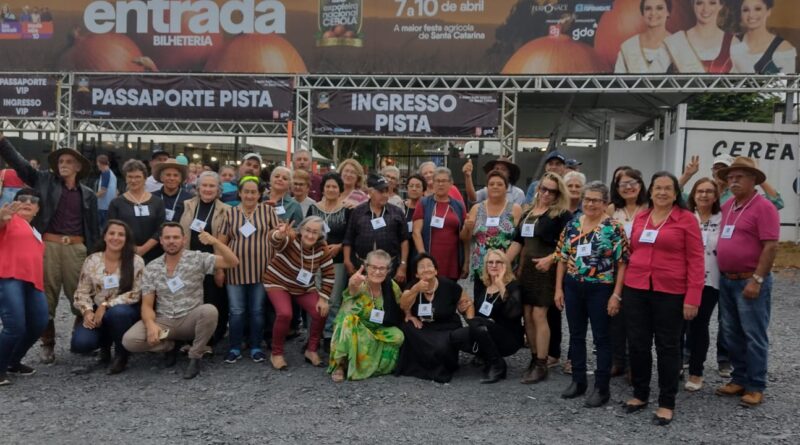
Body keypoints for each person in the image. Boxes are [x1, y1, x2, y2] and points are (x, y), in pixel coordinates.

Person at [0, 134, 99, 364]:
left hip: (77, 248)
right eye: (60, 162)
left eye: (68, 162)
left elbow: (94, 228)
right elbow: (21, 165)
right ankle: (48, 344)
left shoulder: (89, 195)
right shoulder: (43, 180)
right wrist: (3, 142)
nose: (63, 165)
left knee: (81, 295)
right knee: (47, 299)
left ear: (78, 167)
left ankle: (79, 337)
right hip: (49, 246)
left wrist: (94, 255)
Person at [622, 172, 703, 425]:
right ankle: (640, 393)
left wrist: (693, 297)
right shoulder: (642, 217)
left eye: (668, 188)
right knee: (637, 344)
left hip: (670, 292)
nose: (663, 193)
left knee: (667, 347)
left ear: (676, 193)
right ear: (651, 191)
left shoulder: (686, 219)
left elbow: (696, 260)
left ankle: (667, 402)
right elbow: (633, 250)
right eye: (658, 188)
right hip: (636, 288)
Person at [122, 223, 240, 379]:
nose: (172, 241)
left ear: (184, 240)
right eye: (167, 237)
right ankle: (169, 346)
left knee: (210, 311)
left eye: (176, 237)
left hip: (189, 320)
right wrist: (151, 326)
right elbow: (147, 304)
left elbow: (233, 262)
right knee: (129, 341)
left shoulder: (197, 258)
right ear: (161, 241)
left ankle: (195, 355)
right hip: (164, 321)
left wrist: (215, 242)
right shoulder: (152, 267)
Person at [554, 182, 629, 408]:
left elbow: (622, 262)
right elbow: (562, 257)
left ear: (605, 203)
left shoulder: (614, 228)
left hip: (601, 288)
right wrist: (558, 288)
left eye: (596, 200)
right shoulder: (573, 224)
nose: (590, 204)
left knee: (601, 338)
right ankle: (578, 381)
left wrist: (616, 294)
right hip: (573, 285)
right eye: (587, 199)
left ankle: (601, 388)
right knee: (576, 335)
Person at [714, 157, 779, 407]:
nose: (733, 181)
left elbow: (771, 246)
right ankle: (739, 378)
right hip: (727, 280)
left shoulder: (763, 207)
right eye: (730, 177)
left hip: (749, 280)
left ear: (754, 180)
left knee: (753, 334)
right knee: (732, 333)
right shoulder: (729, 205)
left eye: (739, 177)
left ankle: (755, 385)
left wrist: (758, 279)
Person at [506, 172, 571, 383]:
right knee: (527, 313)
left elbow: (570, 245)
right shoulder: (528, 213)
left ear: (558, 193)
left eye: (551, 190)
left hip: (547, 270)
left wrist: (551, 259)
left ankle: (542, 363)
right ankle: (534, 358)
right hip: (528, 270)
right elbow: (518, 243)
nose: (546, 193)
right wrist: (502, 264)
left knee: (539, 314)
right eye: (543, 188)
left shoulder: (561, 215)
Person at [217, 176, 278, 364]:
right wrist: (219, 269)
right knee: (236, 311)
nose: (250, 195)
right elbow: (220, 243)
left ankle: (256, 347)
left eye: (254, 192)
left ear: (259, 194)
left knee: (257, 310)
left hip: (262, 271)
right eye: (246, 192)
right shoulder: (230, 213)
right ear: (240, 193)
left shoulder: (268, 212)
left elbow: (278, 236)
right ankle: (235, 347)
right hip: (235, 272)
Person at [71, 220, 144, 375]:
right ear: (104, 236)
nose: (115, 238)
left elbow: (137, 293)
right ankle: (104, 348)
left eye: (121, 235)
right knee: (81, 344)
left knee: (118, 313)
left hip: (125, 311)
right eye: (111, 233)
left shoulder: (136, 261)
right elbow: (81, 291)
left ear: (126, 239)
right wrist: (87, 311)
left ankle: (121, 354)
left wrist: (106, 305)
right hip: (97, 310)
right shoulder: (92, 260)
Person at [264, 216, 334, 370]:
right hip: (278, 281)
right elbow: (274, 240)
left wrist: (323, 298)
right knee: (285, 314)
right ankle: (276, 353)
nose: (310, 235)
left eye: (315, 232)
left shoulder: (322, 248)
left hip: (303, 287)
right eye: (307, 230)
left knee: (320, 311)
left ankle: (312, 349)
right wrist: (279, 234)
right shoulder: (291, 237)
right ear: (301, 229)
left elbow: (329, 274)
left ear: (321, 234)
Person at [327, 250, 405, 382]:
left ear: (388, 270)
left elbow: (402, 303)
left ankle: (373, 367)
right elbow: (352, 290)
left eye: (382, 268)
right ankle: (340, 365)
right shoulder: (359, 282)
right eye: (373, 267)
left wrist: (410, 314)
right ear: (366, 266)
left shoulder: (391, 286)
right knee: (348, 321)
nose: (377, 272)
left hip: (377, 329)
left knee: (398, 335)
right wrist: (353, 284)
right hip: (355, 328)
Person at [396, 254, 473, 383]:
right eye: (421, 267)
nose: (426, 269)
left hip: (446, 326)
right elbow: (403, 304)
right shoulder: (413, 285)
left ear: (436, 270)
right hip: (423, 326)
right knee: (406, 327)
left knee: (441, 345)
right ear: (416, 274)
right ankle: (420, 364)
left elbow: (467, 303)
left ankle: (440, 365)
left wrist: (471, 323)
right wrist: (415, 290)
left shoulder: (449, 285)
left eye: (429, 266)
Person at [451, 249, 523, 383]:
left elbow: (514, 312)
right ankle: (486, 356)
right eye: (490, 262)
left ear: (505, 265)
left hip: (509, 337)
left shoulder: (513, 286)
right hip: (487, 331)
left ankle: (497, 364)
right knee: (456, 337)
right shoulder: (486, 288)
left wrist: (501, 283)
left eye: (498, 262)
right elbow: (474, 320)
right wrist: (464, 311)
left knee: (479, 323)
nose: (494, 265)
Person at [0, 189, 48, 386]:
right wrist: (2, 217)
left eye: (33, 200)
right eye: (22, 199)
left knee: (38, 323)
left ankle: (12, 361)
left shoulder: (34, 230)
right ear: (14, 203)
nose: (28, 202)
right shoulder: (9, 221)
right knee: (15, 326)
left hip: (33, 282)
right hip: (9, 277)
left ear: (37, 209)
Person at [180, 171, 231, 346]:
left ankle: (209, 341)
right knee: (191, 300)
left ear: (218, 189)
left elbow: (226, 242)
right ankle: (189, 337)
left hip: (212, 262)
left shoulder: (226, 210)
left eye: (212, 186)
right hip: (190, 261)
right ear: (198, 187)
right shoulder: (186, 205)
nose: (208, 189)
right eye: (205, 185)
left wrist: (220, 269)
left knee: (213, 299)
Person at [606, 167, 649, 378]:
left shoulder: (649, 208)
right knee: (615, 318)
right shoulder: (612, 209)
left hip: (640, 270)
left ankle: (635, 364)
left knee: (636, 319)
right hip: (614, 270)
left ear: (640, 185)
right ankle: (618, 360)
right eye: (623, 184)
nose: (629, 187)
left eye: (633, 182)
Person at [683, 178, 723, 392]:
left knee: (699, 325)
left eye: (709, 191)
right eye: (700, 191)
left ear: (716, 196)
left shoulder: (723, 218)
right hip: (682, 279)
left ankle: (696, 372)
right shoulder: (686, 217)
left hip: (709, 280)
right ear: (693, 195)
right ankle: (678, 364)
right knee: (678, 325)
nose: (704, 195)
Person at [463, 170, 522, 298]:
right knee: (481, 306)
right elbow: (465, 238)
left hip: (506, 268)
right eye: (492, 184)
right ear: (487, 187)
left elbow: (520, 240)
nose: (495, 186)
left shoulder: (515, 209)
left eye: (500, 184)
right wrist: (467, 228)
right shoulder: (476, 208)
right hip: (482, 268)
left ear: (506, 188)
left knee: (505, 306)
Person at [307, 173, 350, 347]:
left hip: (337, 260)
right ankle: (313, 336)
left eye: (335, 187)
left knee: (333, 300)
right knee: (314, 298)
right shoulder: (313, 208)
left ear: (340, 190)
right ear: (322, 189)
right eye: (328, 186)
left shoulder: (348, 210)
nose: (331, 189)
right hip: (315, 260)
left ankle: (329, 335)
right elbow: (307, 232)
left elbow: (350, 235)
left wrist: (339, 246)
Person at [343, 174, 409, 283]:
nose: (385, 195)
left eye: (386, 191)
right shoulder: (358, 212)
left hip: (389, 267)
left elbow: (404, 240)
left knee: (388, 297)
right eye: (381, 191)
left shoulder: (397, 212)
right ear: (370, 192)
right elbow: (348, 238)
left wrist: (403, 265)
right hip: (362, 266)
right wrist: (347, 261)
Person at [412, 167, 467, 282]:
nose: (440, 184)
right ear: (433, 182)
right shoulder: (424, 203)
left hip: (452, 259)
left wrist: (466, 261)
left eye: (444, 181)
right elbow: (416, 233)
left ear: (451, 183)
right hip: (430, 258)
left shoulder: (459, 206)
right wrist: (423, 257)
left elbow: (464, 237)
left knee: (448, 294)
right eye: (437, 181)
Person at [108, 160, 166, 264]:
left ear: (145, 178)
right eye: (130, 176)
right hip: (125, 253)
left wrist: (143, 249)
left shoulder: (158, 202)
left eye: (137, 177)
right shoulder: (116, 203)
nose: (133, 180)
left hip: (154, 255)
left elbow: (161, 229)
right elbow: (111, 230)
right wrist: (131, 249)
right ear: (125, 178)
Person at [679, 153, 783, 210]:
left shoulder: (739, 195)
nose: (719, 171)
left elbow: (777, 203)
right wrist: (687, 175)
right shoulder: (704, 192)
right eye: (716, 168)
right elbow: (674, 195)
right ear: (712, 171)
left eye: (724, 168)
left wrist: (756, 174)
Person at [664, 0, 733, 73]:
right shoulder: (676, 41)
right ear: (693, 5)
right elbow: (654, 78)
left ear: (721, 5)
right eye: (699, 3)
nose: (705, 9)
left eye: (712, 3)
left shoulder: (733, 42)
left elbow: (744, 79)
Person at [731, 0, 796, 74]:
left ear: (768, 11)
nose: (751, 15)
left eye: (758, 9)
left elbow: (787, 83)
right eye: (746, 10)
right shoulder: (733, 41)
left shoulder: (782, 47)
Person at [615, 0, 672, 73]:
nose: (653, 13)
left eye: (659, 8)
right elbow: (617, 82)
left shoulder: (678, 45)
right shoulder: (628, 46)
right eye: (648, 8)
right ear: (642, 13)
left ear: (668, 12)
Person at [153, 159, 192, 223]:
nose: (172, 178)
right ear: (161, 178)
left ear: (180, 178)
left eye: (175, 175)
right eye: (168, 175)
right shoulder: (152, 197)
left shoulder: (189, 199)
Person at [404, 174, 427, 262]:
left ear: (423, 190)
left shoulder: (427, 208)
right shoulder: (400, 207)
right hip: (404, 251)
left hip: (421, 250)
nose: (414, 189)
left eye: (418, 186)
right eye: (411, 186)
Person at [95, 155, 117, 229]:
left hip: (103, 207)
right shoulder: (112, 174)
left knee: (101, 229)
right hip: (109, 206)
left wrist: (92, 197)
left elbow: (103, 191)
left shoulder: (105, 174)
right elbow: (116, 191)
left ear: (99, 163)